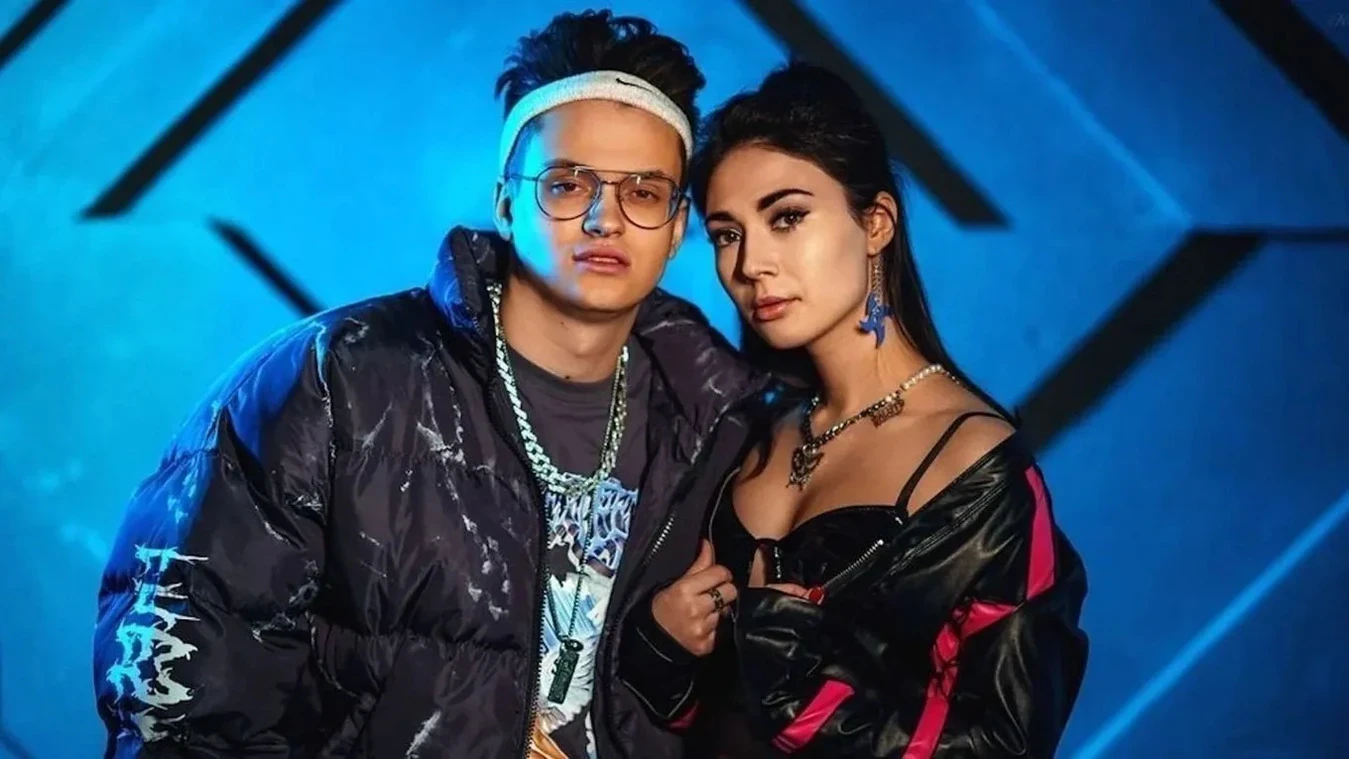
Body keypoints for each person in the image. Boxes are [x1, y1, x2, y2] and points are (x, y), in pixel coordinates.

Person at [93, 11, 768, 759]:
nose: (604, 218)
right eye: (566, 184)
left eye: (643, 192)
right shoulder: (336, 380)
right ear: (506, 203)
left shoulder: (714, 429)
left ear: (675, 227)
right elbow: (184, 688)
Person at [618, 62, 1089, 757]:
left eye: (786, 218)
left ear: (875, 223)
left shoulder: (977, 472)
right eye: (726, 233)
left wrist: (800, 693)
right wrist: (660, 645)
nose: (751, 264)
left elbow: (1004, 742)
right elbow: (707, 707)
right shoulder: (749, 425)